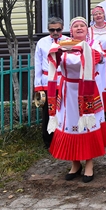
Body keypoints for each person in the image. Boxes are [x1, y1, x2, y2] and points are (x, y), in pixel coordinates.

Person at [46, 17, 106, 183]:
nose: (79, 28)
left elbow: (99, 58)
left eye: (82, 25)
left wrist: (85, 51)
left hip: (88, 91)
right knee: (71, 126)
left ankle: (89, 164)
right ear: (71, 30)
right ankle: (75, 164)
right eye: (76, 26)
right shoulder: (62, 45)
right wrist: (59, 50)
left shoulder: (93, 44)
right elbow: (54, 58)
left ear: (86, 29)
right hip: (68, 91)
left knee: (87, 126)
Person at [34, 17, 69, 149]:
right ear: (48, 29)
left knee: (64, 111)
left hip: (63, 80)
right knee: (49, 112)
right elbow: (37, 64)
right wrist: (38, 86)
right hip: (47, 81)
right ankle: (48, 141)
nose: (55, 32)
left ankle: (64, 139)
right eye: (52, 30)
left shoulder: (68, 41)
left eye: (58, 29)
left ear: (62, 28)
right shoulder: (42, 43)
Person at [88, 6, 106, 113]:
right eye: (95, 14)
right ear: (93, 17)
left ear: (104, 15)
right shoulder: (88, 31)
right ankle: (96, 109)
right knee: (95, 82)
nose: (98, 16)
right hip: (93, 59)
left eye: (100, 13)